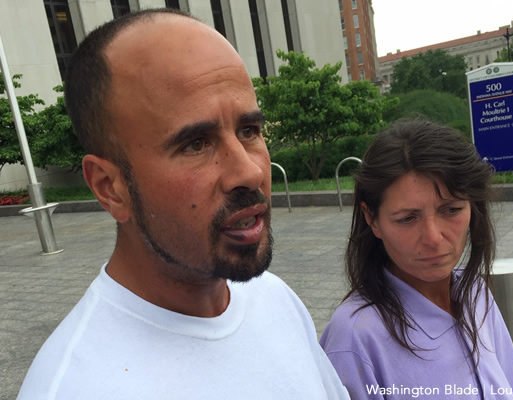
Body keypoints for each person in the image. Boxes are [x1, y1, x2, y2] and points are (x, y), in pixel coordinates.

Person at [17, 9, 348, 399]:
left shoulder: (274, 298)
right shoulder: (74, 387)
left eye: (249, 130)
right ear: (110, 188)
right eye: (196, 143)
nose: (249, 172)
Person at [320, 120, 513, 400]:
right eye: (407, 218)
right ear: (372, 218)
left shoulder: (476, 293)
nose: (433, 237)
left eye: (452, 210)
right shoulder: (354, 339)